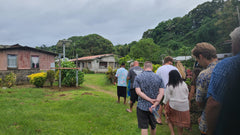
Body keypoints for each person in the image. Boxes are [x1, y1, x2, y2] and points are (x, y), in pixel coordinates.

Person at [205, 26, 240, 135]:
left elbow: (213, 103)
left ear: (236, 44)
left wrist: (210, 131)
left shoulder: (226, 66)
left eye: (231, 44)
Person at [191, 42, 218, 135]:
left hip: (210, 122)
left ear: (201, 56)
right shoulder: (229, 67)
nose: (198, 62)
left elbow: (199, 101)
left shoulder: (205, 74)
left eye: (197, 59)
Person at [133, 61, 164, 135]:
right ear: (152, 68)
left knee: (144, 127)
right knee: (153, 126)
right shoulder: (159, 77)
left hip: (142, 106)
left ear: (144, 68)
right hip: (154, 108)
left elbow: (138, 92)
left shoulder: (138, 77)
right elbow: (161, 92)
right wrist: (156, 103)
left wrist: (149, 99)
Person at [164, 70, 190, 135]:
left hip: (174, 105)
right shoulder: (184, 84)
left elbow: (166, 98)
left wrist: (164, 106)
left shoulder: (170, 85)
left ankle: (172, 133)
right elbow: (187, 94)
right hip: (184, 106)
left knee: (169, 117)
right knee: (180, 121)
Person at [156, 56, 179, 124]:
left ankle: (159, 119)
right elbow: (179, 79)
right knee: (170, 105)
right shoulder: (175, 69)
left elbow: (157, 79)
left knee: (161, 105)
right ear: (169, 62)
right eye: (172, 62)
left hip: (162, 89)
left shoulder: (159, 69)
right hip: (173, 89)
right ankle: (168, 119)